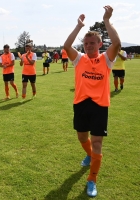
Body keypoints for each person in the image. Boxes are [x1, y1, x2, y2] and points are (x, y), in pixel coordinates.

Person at [63, 6, 121, 197]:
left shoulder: (106, 59)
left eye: (92, 43)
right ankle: (88, 154)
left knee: (97, 143)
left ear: (100, 43)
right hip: (80, 104)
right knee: (82, 138)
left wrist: (107, 20)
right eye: (86, 43)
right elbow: (66, 46)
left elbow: (117, 43)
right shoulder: (79, 59)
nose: (88, 46)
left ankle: (92, 180)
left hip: (99, 106)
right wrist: (78, 26)